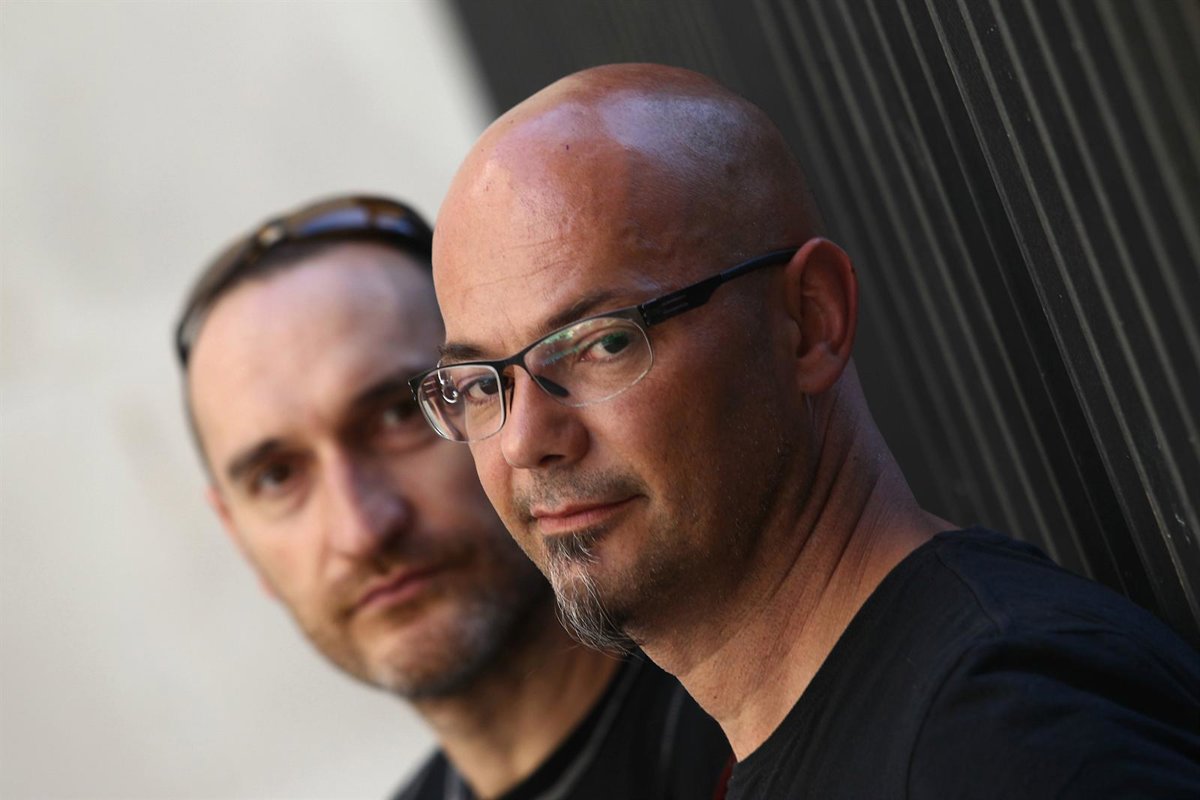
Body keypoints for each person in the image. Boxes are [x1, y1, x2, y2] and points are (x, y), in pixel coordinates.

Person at [415, 64, 1200, 798]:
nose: (524, 441)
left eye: (602, 342)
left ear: (809, 321)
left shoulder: (997, 740)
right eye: (481, 384)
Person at [175, 194, 731, 800]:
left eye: (397, 416)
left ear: (501, 392)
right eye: (277, 477)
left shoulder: (758, 717)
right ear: (236, 534)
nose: (363, 529)